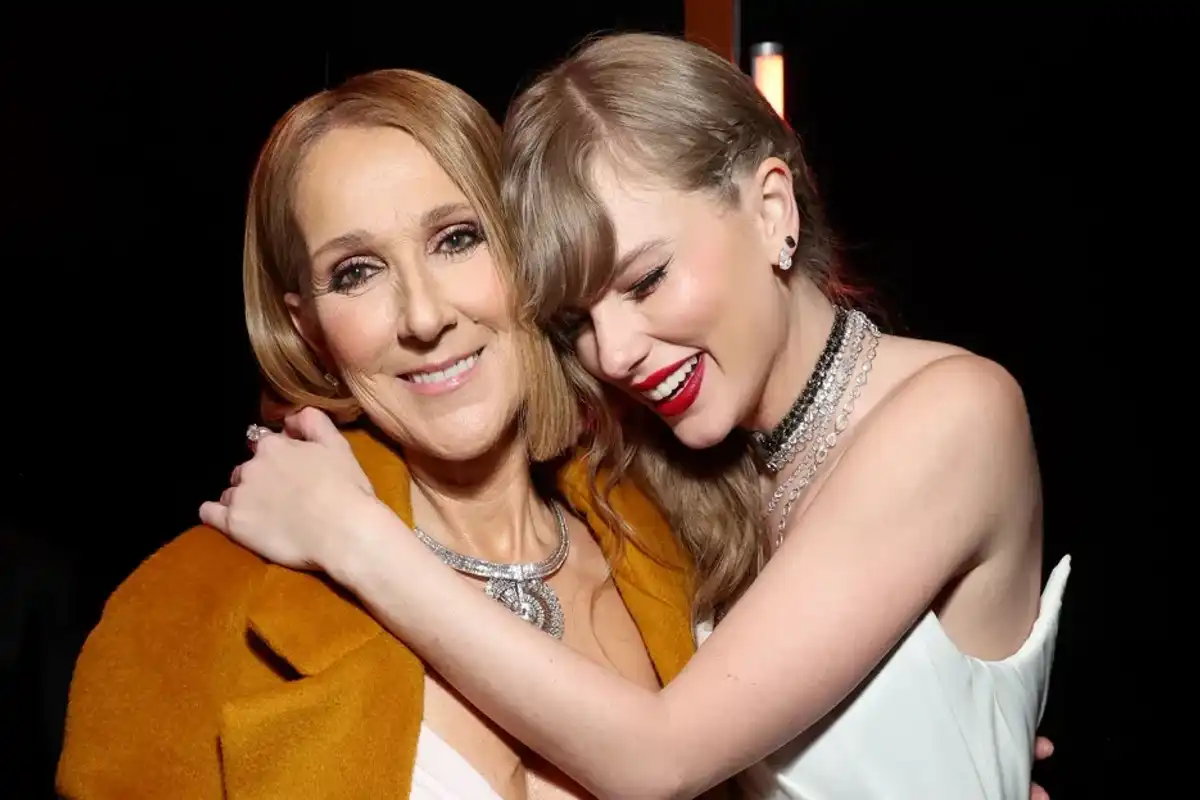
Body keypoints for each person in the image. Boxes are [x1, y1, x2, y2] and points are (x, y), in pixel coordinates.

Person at [208, 33, 1067, 800]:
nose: (613, 354)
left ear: (772, 211)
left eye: (647, 279)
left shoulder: (955, 414)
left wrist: (352, 537)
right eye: (578, 320)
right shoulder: (670, 480)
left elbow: (660, 759)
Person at [55, 68, 701, 800]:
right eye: (357, 272)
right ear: (307, 328)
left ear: (529, 251)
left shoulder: (671, 549)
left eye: (458, 239)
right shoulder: (185, 613)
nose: (423, 317)